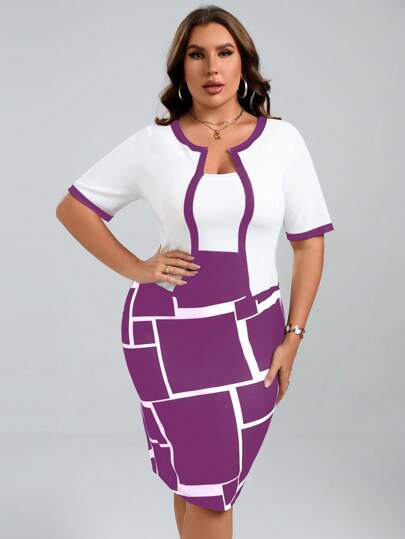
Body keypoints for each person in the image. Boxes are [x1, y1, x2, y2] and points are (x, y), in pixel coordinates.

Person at [56, 6, 334, 539]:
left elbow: (309, 243)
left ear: (243, 62)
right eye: (197, 54)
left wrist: (293, 336)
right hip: (166, 334)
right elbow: (74, 209)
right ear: (181, 67)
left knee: (209, 483)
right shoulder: (155, 143)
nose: (212, 67)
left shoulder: (283, 142)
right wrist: (138, 268)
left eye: (224, 53)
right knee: (197, 482)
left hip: (252, 334)